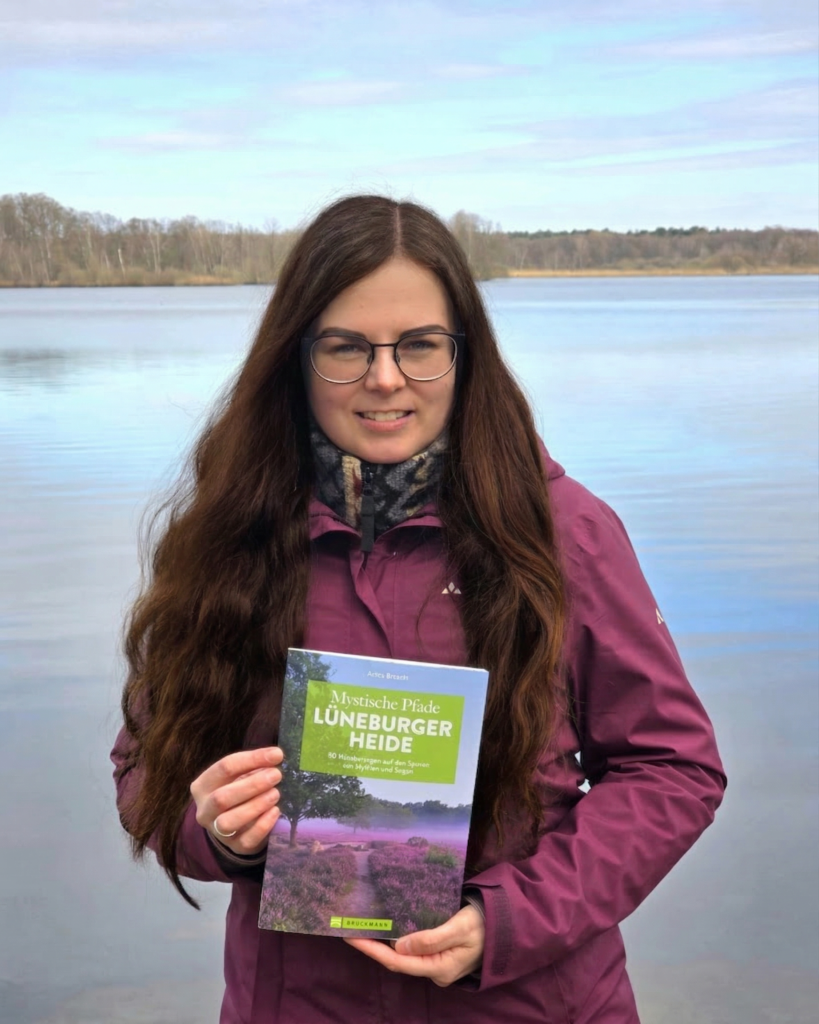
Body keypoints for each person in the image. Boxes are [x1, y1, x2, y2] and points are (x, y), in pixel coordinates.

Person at [111, 195, 726, 1024]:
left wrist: (506, 919)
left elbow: (671, 769)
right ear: (296, 358)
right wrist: (214, 829)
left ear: (464, 355)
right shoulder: (229, 537)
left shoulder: (565, 532)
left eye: (420, 346)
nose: (386, 377)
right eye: (346, 347)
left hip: (530, 1003)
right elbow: (143, 766)